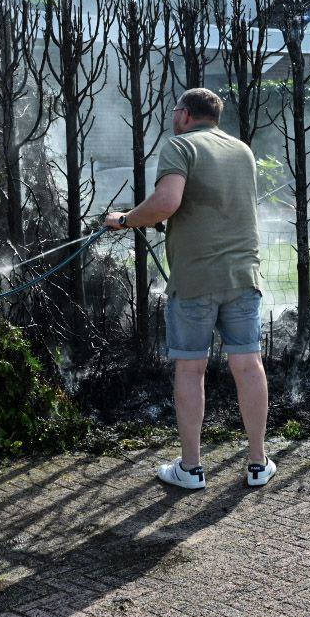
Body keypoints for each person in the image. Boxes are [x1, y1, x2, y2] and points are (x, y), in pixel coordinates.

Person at [104, 88, 274, 489]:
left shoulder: (179, 146)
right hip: (242, 277)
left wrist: (126, 219)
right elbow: (209, 204)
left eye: (174, 109)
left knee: (191, 368)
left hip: (195, 278)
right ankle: (257, 463)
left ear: (185, 114)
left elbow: (167, 201)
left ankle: (192, 468)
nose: (173, 115)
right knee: (248, 365)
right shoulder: (242, 151)